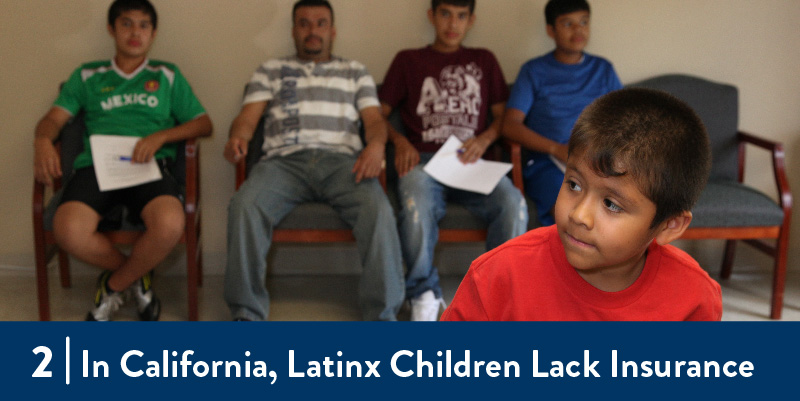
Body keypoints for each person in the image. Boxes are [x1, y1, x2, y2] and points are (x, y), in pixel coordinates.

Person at [442, 88, 723, 321]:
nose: (579, 215)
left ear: (668, 225)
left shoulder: (694, 298)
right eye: (574, 185)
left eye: (612, 204)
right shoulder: (497, 276)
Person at [224, 0, 404, 321]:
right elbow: (248, 118)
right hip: (283, 164)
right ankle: (246, 316)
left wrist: (376, 146)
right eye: (304, 23)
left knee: (378, 209)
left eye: (320, 23)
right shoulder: (271, 70)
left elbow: (375, 121)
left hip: (343, 163)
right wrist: (238, 137)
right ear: (294, 30)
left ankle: (383, 317)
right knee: (243, 206)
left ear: (332, 31)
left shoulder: (355, 71)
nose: (312, 31)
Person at [33, 0, 213, 321]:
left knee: (171, 222)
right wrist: (43, 140)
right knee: (68, 228)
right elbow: (53, 120)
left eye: (144, 25)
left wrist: (161, 137)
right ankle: (136, 279)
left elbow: (202, 123)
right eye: (126, 24)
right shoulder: (88, 75)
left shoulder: (167, 75)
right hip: (97, 169)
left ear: (153, 33)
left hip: (149, 167)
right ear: (111, 29)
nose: (135, 32)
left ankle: (114, 284)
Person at [379, 0, 528, 321]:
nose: (453, 23)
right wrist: (400, 140)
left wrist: (486, 138)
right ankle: (423, 293)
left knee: (513, 203)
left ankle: (495, 295)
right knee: (414, 197)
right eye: (445, 14)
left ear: (471, 20)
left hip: (472, 160)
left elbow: (503, 117)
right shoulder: (408, 60)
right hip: (425, 161)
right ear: (432, 16)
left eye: (461, 16)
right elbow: (378, 116)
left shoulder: (484, 60)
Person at [502, 0, 622, 226]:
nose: (578, 30)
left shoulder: (603, 69)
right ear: (551, 30)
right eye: (568, 24)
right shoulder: (533, 71)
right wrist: (555, 148)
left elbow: (625, 120)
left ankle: (605, 262)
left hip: (597, 160)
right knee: (570, 212)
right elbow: (510, 125)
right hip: (547, 161)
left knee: (619, 209)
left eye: (583, 22)